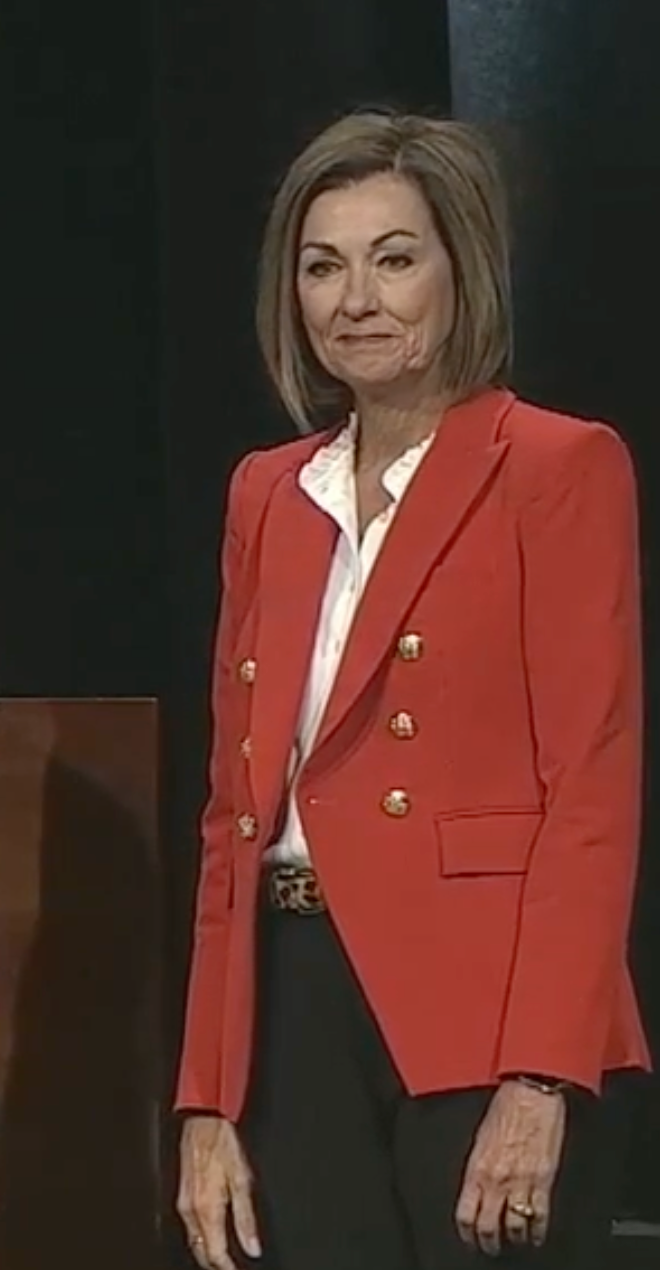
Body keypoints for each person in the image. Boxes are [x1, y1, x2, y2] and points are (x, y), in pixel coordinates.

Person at [173, 109, 650, 1270]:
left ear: (458, 270)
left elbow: (588, 792)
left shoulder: (554, 465)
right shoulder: (266, 492)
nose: (355, 298)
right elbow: (230, 818)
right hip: (292, 1017)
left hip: (481, 1014)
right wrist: (206, 1098)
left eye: (392, 258)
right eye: (321, 265)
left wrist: (540, 1075)